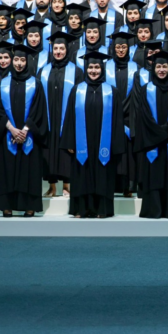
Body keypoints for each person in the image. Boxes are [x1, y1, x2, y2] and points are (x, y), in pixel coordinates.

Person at [61, 52, 125, 218]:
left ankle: (102, 209)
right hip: (82, 143)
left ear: (102, 69)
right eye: (90, 67)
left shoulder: (112, 92)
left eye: (97, 67)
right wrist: (69, 142)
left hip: (104, 144)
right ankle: (82, 209)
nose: (94, 71)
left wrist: (116, 144)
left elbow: (118, 120)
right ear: (86, 68)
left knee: (103, 174)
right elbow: (68, 118)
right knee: (82, 174)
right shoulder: (77, 90)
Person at [133, 51, 168, 218]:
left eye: (165, 66)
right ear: (153, 68)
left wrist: (165, 131)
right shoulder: (146, 89)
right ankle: (154, 209)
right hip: (153, 142)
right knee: (154, 173)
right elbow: (143, 116)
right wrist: (159, 132)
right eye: (158, 66)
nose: (162, 70)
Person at [0, 44, 48, 217]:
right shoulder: (2, 83)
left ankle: (29, 206)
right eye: (17, 60)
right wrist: (11, 129)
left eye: (22, 60)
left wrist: (25, 130)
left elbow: (38, 109)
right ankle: (7, 206)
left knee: (29, 169)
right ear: (12, 61)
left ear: (27, 62)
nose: (19, 63)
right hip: (7, 135)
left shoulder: (36, 83)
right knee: (7, 169)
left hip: (29, 135)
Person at [40, 32, 84, 197]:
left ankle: (67, 185)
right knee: (49, 150)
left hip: (68, 118)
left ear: (67, 49)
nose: (58, 51)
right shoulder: (44, 71)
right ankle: (52, 186)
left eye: (61, 48)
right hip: (49, 118)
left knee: (66, 150)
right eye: (56, 48)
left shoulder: (76, 71)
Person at [106, 32, 139, 197]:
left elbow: (136, 93)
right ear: (113, 48)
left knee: (127, 154)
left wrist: (124, 111)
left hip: (129, 117)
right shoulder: (106, 67)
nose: (120, 50)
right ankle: (111, 186)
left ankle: (127, 187)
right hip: (110, 116)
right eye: (118, 47)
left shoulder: (134, 67)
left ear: (128, 48)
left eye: (124, 47)